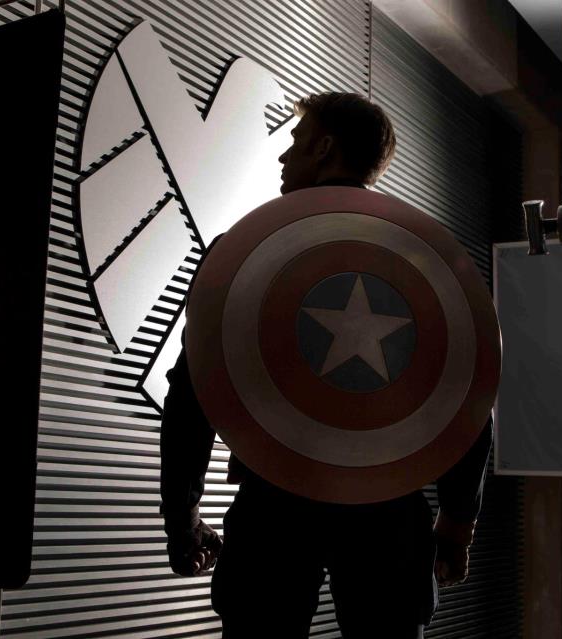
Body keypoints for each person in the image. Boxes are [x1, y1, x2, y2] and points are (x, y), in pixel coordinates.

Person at [160, 92, 492, 638]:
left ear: (324, 148)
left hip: (274, 507)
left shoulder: (244, 250)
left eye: (295, 140)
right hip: (387, 509)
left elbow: (193, 390)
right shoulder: (423, 258)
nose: (283, 156)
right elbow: (470, 392)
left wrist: (182, 516)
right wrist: (458, 521)